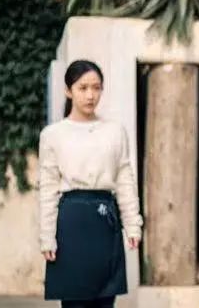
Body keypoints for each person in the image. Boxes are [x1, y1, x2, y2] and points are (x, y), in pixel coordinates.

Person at [39, 60, 143, 308]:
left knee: (106, 301)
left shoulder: (115, 131)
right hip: (71, 224)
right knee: (74, 300)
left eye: (96, 88)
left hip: (105, 221)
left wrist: (133, 225)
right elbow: (48, 189)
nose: (90, 95)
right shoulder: (53, 135)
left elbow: (125, 180)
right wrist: (47, 236)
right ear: (68, 91)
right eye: (83, 88)